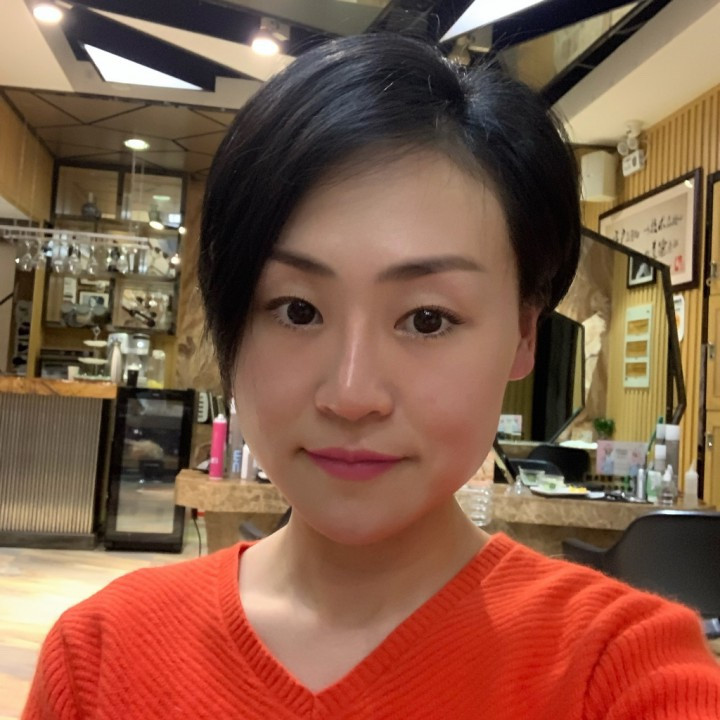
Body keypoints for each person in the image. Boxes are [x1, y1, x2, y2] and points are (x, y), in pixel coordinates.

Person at [24, 34, 720, 719]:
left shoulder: (618, 671)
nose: (351, 395)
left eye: (426, 319)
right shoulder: (100, 658)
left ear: (524, 335)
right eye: (298, 310)